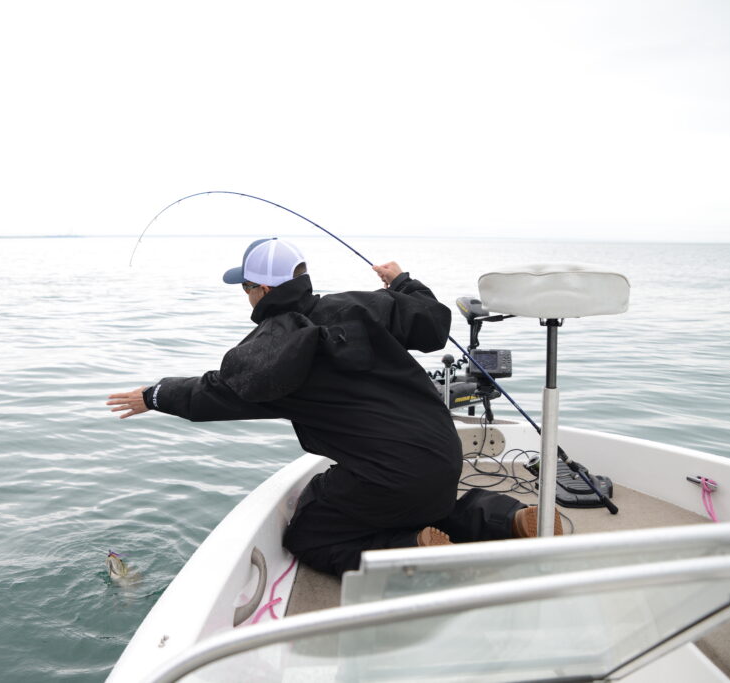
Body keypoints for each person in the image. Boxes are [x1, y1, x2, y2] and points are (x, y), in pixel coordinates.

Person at [107, 237, 558, 577]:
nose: (246, 295)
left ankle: (405, 549)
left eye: (245, 287)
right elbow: (432, 322)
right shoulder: (362, 306)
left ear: (261, 289)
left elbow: (215, 393)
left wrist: (155, 395)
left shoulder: (271, 355)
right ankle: (509, 518)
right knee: (422, 500)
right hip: (443, 454)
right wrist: (402, 281)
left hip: (390, 477)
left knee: (311, 532)